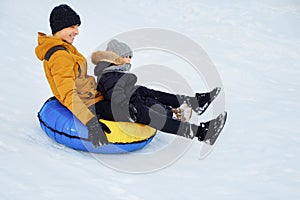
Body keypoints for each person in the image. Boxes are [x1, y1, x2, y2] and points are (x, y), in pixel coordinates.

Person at [35, 4, 225, 149]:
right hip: (92, 105)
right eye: (72, 26)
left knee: (138, 92)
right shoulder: (59, 55)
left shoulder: (66, 50)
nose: (76, 31)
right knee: (139, 111)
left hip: (97, 97)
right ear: (59, 27)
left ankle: (193, 106)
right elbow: (69, 94)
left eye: (77, 26)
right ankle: (202, 132)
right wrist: (92, 124)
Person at [91, 39, 226, 145]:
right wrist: (135, 105)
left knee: (146, 92)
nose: (130, 60)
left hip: (129, 105)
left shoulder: (115, 74)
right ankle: (201, 132)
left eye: (131, 56)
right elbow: (116, 96)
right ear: (115, 58)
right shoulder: (109, 75)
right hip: (125, 109)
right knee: (152, 114)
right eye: (126, 56)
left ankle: (194, 103)